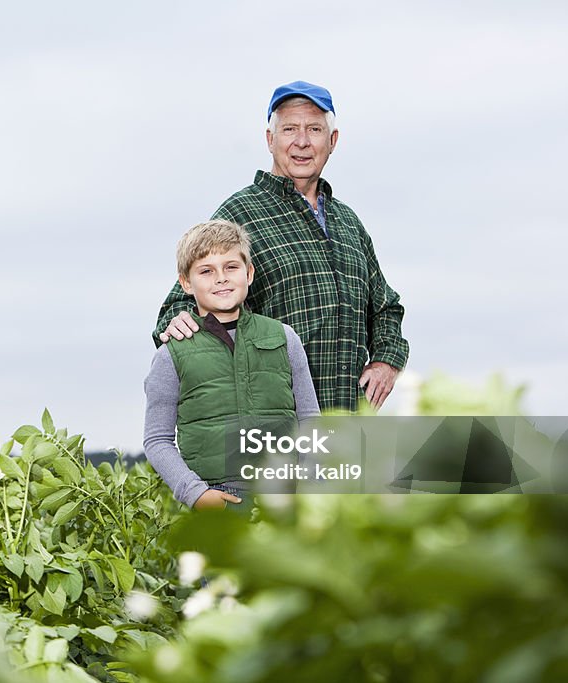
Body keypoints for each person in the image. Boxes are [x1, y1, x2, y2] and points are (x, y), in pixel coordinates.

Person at [154, 80, 408, 412]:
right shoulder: (238, 215)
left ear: (332, 141)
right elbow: (178, 306)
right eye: (290, 129)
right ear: (270, 139)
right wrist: (178, 322)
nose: (302, 142)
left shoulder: (348, 222)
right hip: (274, 428)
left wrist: (386, 362)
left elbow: (385, 307)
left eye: (315, 129)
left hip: (348, 425)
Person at [143, 220, 320, 510]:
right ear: (186, 283)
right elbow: (157, 440)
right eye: (206, 271)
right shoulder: (170, 354)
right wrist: (195, 494)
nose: (221, 278)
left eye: (231, 267)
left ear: (249, 273)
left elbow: (311, 421)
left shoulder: (284, 338)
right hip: (215, 499)